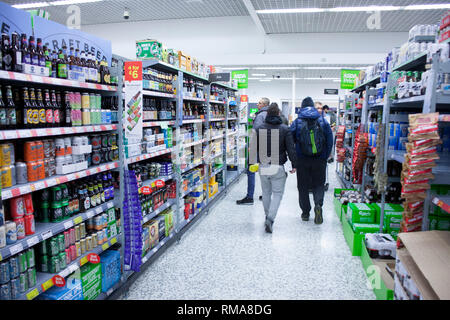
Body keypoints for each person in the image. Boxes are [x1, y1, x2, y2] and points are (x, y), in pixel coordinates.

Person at [250, 104, 297, 233]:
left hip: (263, 165)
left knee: (266, 193)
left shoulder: (259, 128)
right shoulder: (285, 129)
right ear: (278, 114)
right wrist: (294, 165)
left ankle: (267, 216)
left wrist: (251, 164)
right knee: (277, 194)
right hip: (278, 166)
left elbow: (253, 148)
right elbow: (291, 149)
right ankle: (270, 219)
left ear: (267, 115)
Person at [290, 97, 333, 224]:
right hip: (319, 160)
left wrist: (294, 160)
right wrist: (325, 156)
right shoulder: (323, 121)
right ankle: (318, 205)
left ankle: (305, 212)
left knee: (302, 186)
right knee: (319, 184)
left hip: (302, 159)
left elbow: (290, 141)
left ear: (302, 108)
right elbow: (330, 141)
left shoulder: (297, 122)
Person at [236, 97, 270, 205]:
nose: (257, 104)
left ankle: (249, 197)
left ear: (264, 104)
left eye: (259, 103)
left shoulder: (260, 115)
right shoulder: (270, 114)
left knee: (251, 170)